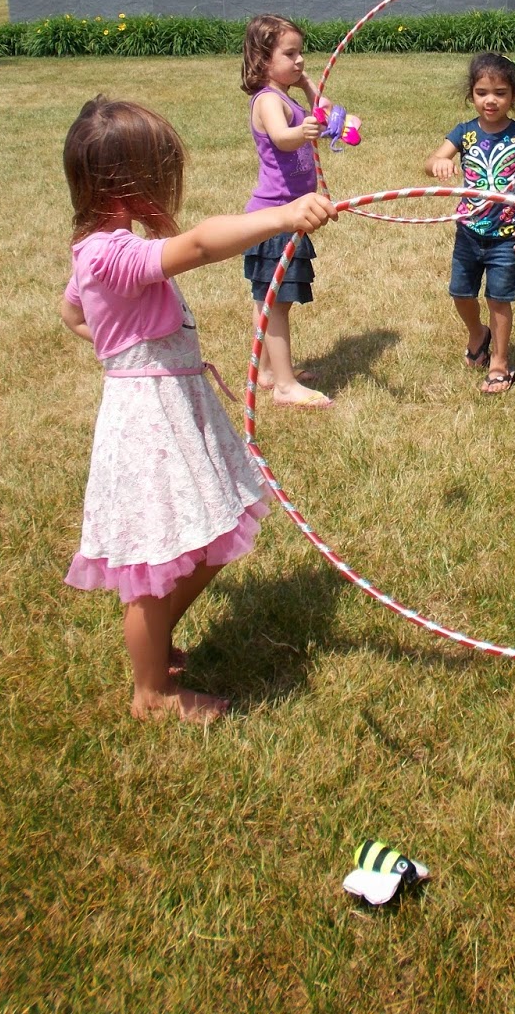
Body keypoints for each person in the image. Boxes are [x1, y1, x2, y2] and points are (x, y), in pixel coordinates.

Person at [59, 95, 336, 723]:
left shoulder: (101, 249)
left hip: (172, 404)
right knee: (158, 561)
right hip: (150, 417)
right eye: (161, 173)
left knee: (205, 537)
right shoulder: (111, 253)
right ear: (127, 183)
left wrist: (119, 347)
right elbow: (204, 244)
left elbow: (73, 313)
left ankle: (153, 650)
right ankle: (151, 693)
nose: (169, 185)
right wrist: (282, 216)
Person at [426, 52, 515, 395]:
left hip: (507, 235)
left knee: (498, 298)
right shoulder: (464, 133)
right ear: (471, 94)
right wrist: (438, 165)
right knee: (460, 292)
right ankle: (478, 333)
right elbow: (432, 159)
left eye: (500, 93)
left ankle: (499, 363)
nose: (490, 100)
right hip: (468, 230)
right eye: (481, 92)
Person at [240, 13, 337, 409]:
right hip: (275, 217)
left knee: (267, 299)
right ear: (263, 60)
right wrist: (305, 131)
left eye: (302, 53)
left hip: (287, 213)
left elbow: (324, 109)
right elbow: (282, 139)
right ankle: (284, 386)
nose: (299, 61)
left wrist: (308, 85)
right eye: (289, 54)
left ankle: (267, 371)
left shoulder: (287, 95)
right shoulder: (267, 100)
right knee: (275, 303)